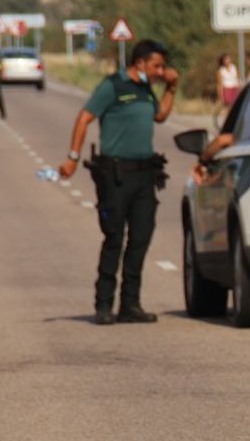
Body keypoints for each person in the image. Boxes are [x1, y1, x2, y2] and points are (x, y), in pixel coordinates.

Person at [57, 39, 179, 325]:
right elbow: (84, 118)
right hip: (115, 175)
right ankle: (103, 304)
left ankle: (130, 304)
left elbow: (160, 116)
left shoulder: (146, 88)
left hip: (144, 175)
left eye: (163, 66)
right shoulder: (113, 86)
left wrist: (171, 88)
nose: (161, 71)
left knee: (140, 238)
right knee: (114, 237)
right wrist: (72, 157)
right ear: (140, 63)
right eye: (157, 66)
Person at [215, 53, 240, 127]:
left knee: (235, 106)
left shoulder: (234, 67)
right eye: (225, 59)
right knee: (227, 107)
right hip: (226, 89)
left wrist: (240, 87)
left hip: (235, 88)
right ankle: (228, 124)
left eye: (228, 59)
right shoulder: (220, 71)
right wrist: (220, 95)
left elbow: (238, 78)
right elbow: (219, 83)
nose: (227, 61)